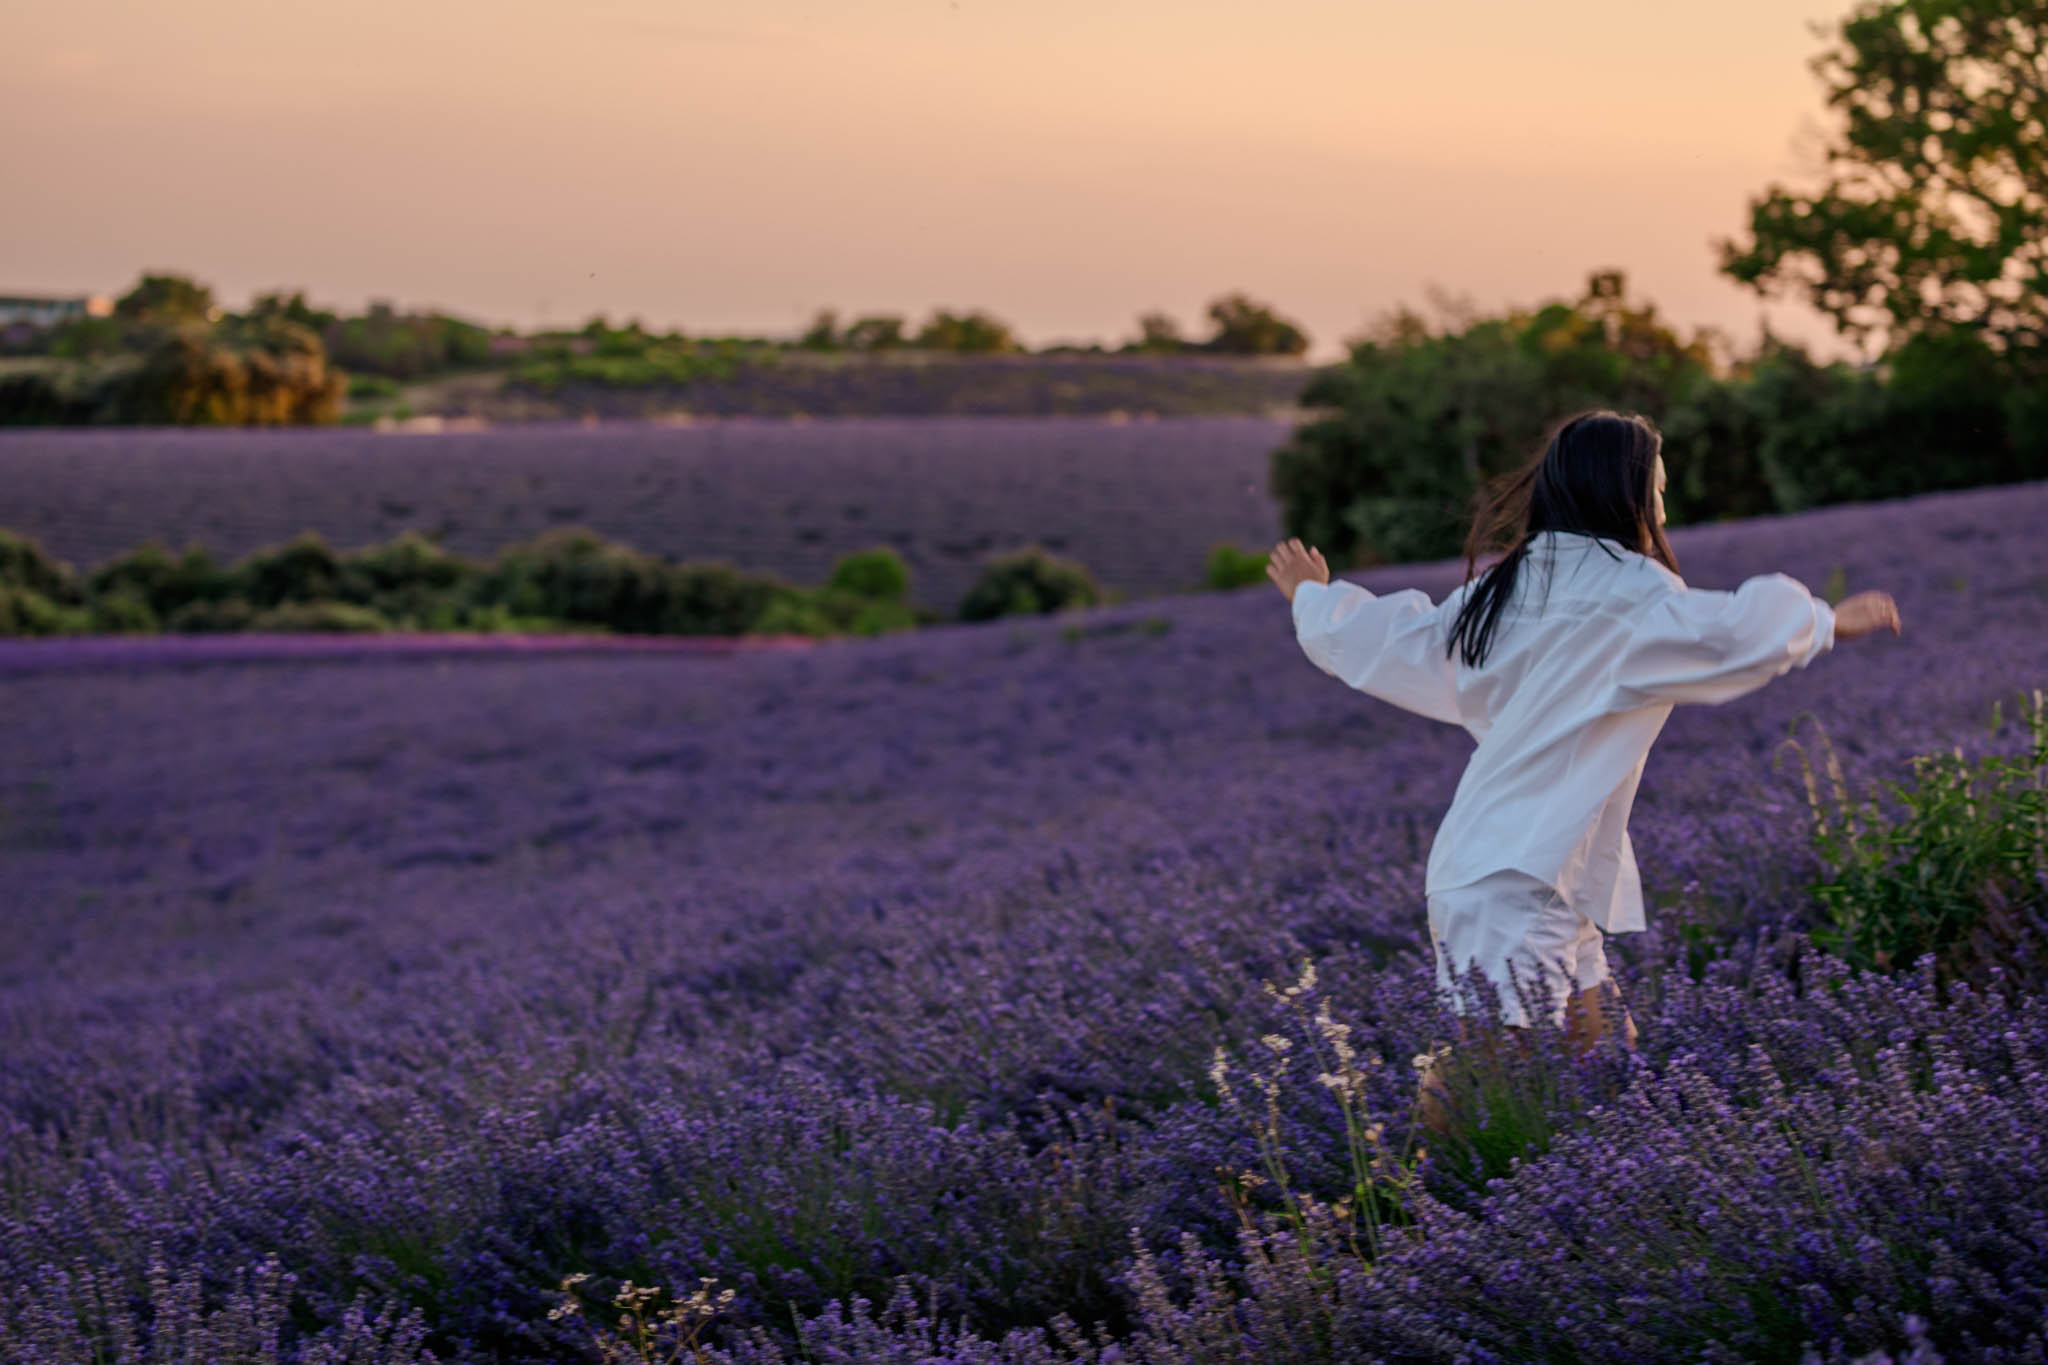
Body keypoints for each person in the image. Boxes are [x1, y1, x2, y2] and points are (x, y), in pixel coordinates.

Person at [1265, 409, 1902, 1136]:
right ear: (1625, 495)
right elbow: (1734, 632)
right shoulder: (1633, 597)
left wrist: (1313, 598)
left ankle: (1631, 1174)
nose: (1663, 510)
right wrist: (1829, 620)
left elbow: (1392, 638)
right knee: (1480, 1076)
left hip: (1517, 867)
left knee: (1603, 1052)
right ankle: (1398, 1194)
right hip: (1520, 877)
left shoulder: (1505, 590)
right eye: (1657, 491)